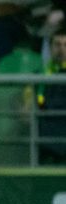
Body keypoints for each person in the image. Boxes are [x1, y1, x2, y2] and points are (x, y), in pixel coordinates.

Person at [38, 27, 66, 163]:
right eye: (57, 44)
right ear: (50, 48)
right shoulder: (39, 75)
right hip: (46, 137)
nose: (62, 49)